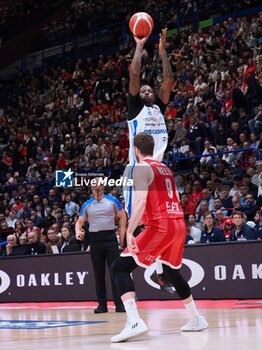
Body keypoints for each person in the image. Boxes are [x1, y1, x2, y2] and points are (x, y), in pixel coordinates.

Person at [110, 133, 208, 343]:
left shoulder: (141, 167)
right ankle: (196, 318)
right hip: (178, 223)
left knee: (119, 268)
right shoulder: (165, 168)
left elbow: (140, 202)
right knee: (172, 272)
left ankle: (134, 321)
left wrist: (129, 231)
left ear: (135, 150)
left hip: (160, 224)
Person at [123, 28, 174, 294]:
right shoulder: (136, 109)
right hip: (138, 170)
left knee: (164, 222)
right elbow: (134, 73)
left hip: (160, 170)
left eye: (147, 89)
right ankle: (129, 264)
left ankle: (161, 270)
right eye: (141, 90)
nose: (145, 91)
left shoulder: (158, 107)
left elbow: (168, 79)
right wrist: (140, 46)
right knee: (139, 220)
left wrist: (163, 52)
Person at [75, 177, 127, 313]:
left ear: (103, 186)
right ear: (91, 188)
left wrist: (122, 234)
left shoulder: (112, 201)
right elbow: (79, 221)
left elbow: (122, 216)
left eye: (99, 184)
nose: (97, 187)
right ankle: (102, 305)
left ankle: (119, 304)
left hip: (110, 238)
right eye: (94, 185)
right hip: (95, 239)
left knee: (114, 272)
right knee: (99, 274)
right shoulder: (87, 204)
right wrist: (77, 231)